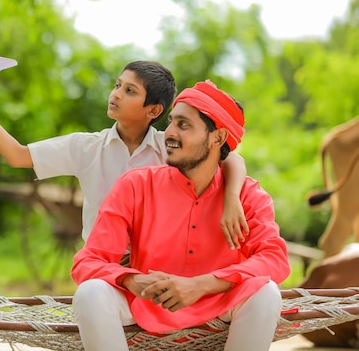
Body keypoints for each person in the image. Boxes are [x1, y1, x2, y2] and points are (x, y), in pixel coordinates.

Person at [70, 80, 291, 351]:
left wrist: (201, 285)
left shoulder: (248, 195)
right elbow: (87, 260)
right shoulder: (136, 185)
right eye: (171, 122)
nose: (169, 133)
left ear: (217, 138)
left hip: (219, 301)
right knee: (91, 292)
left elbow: (274, 259)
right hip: (148, 302)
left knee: (266, 293)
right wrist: (131, 279)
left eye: (183, 125)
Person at [0, 61, 248, 248]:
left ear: (154, 111)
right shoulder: (87, 147)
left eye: (129, 90)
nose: (116, 94)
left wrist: (231, 197)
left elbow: (231, 158)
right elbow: (17, 156)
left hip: (157, 266)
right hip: (102, 266)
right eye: (117, 85)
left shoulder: (170, 148)